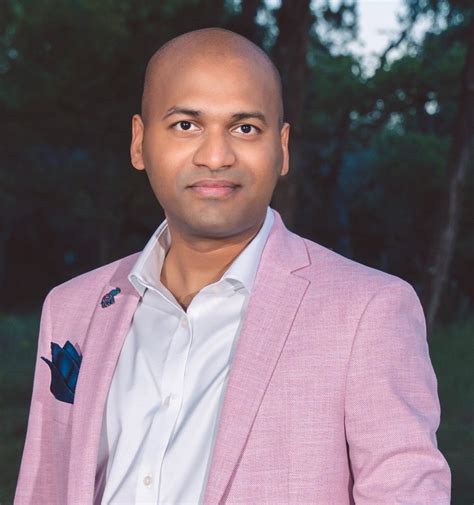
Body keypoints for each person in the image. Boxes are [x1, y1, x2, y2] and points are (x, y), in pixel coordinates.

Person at [14, 27, 451, 505]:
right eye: (186, 125)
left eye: (245, 128)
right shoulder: (72, 307)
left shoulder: (369, 311)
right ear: (139, 142)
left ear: (282, 148)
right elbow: (43, 488)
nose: (216, 156)